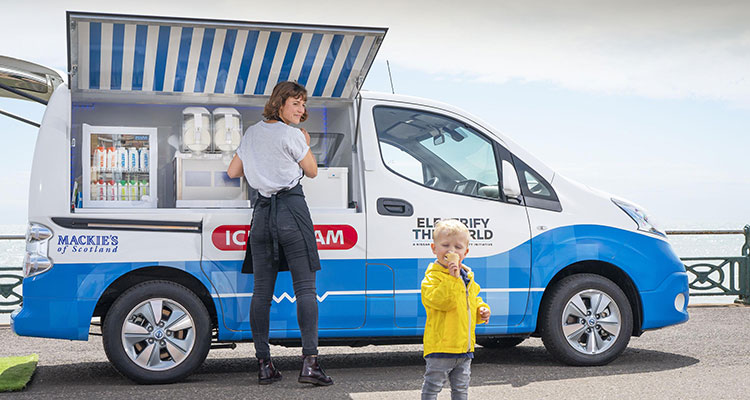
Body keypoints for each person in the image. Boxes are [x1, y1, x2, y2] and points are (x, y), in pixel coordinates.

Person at [227, 81, 333, 386]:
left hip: (261, 215)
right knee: (305, 289)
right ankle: (310, 365)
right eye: (295, 103)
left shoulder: (251, 133)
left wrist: (261, 164)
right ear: (280, 103)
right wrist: (305, 143)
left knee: (261, 292)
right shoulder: (293, 135)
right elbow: (311, 170)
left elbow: (234, 171)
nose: (301, 110)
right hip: (291, 211)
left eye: (303, 104)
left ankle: (264, 365)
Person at [420, 219, 491, 399]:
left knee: (461, 389)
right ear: (434, 248)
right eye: (445, 245)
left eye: (458, 247)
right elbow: (441, 302)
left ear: (465, 252)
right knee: (433, 387)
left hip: (464, 347)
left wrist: (481, 310)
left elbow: (470, 302)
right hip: (441, 347)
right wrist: (452, 279)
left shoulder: (466, 276)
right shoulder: (432, 278)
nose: (451, 251)